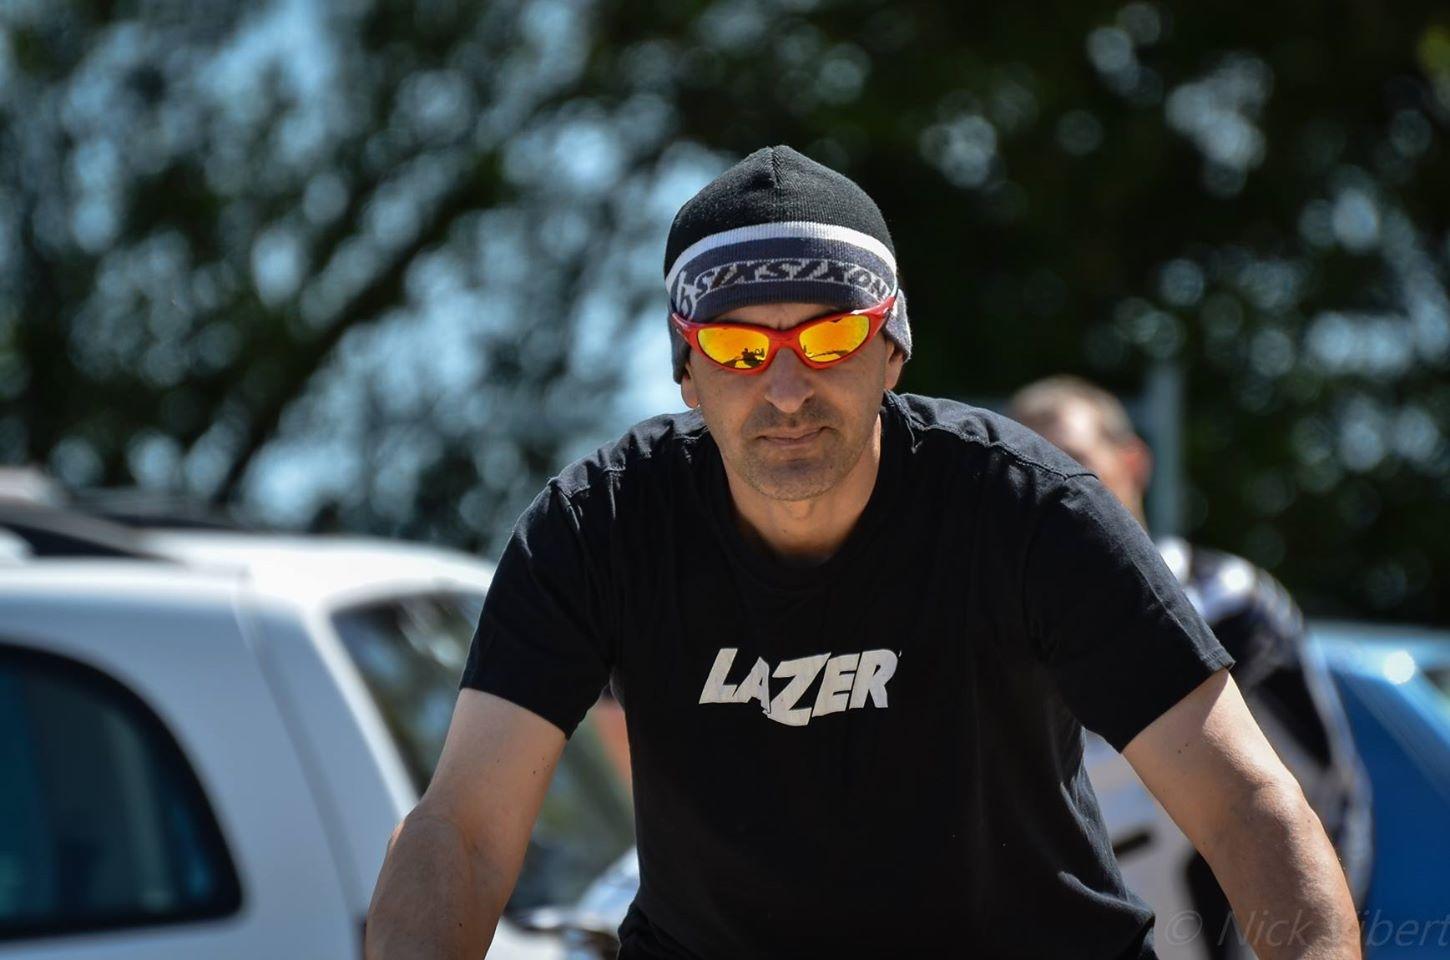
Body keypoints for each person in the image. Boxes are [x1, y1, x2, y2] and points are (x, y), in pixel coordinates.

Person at [364, 146, 1362, 959]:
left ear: (891, 350)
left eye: (829, 338)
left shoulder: (1029, 511)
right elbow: (463, 829)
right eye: (739, 349)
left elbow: (1244, 804)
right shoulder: (599, 528)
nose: (786, 388)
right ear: (686, 372)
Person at [1008, 375, 1374, 958]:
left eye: (1073, 460)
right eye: (1023, 471)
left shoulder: (1225, 601)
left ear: (1133, 462)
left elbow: (1323, 801)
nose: (1049, 486)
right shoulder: (992, 628)